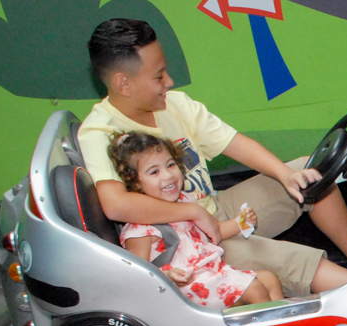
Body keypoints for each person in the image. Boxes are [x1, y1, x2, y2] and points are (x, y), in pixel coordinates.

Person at [78, 18, 347, 298]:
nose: (169, 82)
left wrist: (285, 175)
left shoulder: (175, 105)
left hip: (216, 208)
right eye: (159, 77)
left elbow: (234, 142)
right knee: (294, 261)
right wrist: (193, 213)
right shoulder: (100, 130)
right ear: (124, 84)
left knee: (308, 173)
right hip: (189, 241)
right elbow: (115, 204)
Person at [110, 132, 283, 308]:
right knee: (254, 289)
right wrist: (168, 275)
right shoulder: (140, 229)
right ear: (135, 183)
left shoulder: (184, 202)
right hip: (187, 288)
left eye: (170, 165)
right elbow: (137, 273)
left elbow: (213, 232)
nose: (168, 175)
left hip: (211, 273)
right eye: (154, 172)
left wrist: (240, 223)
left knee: (269, 279)